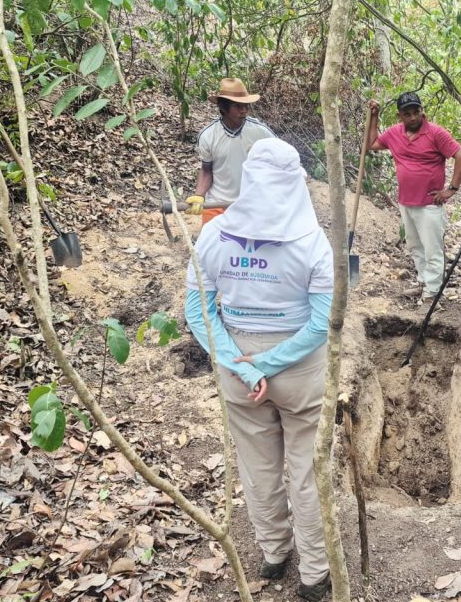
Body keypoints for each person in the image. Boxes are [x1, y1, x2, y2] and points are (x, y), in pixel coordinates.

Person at [184, 139, 332, 601]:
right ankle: (315, 574)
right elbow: (322, 321)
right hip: (300, 367)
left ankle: (273, 553)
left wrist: (243, 366)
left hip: (236, 363)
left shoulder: (214, 234)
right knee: (307, 472)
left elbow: (198, 310)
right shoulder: (312, 241)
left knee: (257, 466)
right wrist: (268, 363)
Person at [367, 92, 461, 301]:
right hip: (406, 201)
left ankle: (432, 293)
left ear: (422, 111)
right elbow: (373, 145)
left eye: (416, 112)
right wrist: (375, 117)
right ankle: (424, 282)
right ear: (400, 116)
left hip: (430, 203)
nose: (413, 117)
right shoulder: (395, 133)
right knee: (415, 245)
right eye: (407, 114)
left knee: (433, 249)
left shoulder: (435, 133)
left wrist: (451, 189)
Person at [189, 77, 274, 224]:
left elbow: (278, 160)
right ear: (223, 108)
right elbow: (206, 169)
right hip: (217, 203)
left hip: (251, 204)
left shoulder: (261, 132)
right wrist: (199, 196)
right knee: (211, 244)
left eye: (246, 106)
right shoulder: (208, 135)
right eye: (238, 106)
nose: (244, 111)